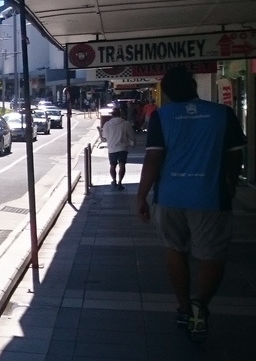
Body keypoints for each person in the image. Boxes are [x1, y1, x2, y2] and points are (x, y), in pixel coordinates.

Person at [135, 67, 246, 341]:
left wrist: (141, 196)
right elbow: (235, 155)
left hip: (169, 197)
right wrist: (231, 182)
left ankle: (184, 308)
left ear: (167, 93)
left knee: (175, 250)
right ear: (194, 86)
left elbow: (153, 158)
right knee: (212, 254)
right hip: (211, 197)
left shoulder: (162, 116)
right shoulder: (223, 113)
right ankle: (201, 304)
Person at [102, 107, 135, 189]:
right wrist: (133, 142)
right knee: (122, 165)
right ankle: (120, 181)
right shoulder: (125, 123)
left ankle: (114, 180)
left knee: (112, 165)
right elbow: (131, 135)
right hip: (123, 147)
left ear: (112, 115)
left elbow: (104, 136)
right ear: (120, 114)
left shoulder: (107, 124)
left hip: (112, 148)